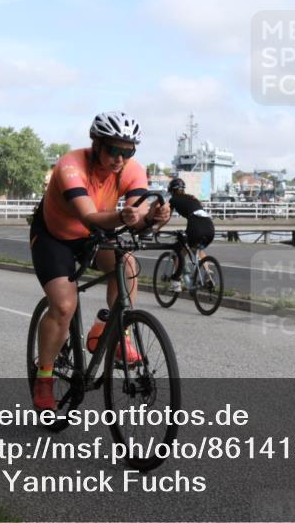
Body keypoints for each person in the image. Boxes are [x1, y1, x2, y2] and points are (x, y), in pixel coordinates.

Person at [30, 111, 171, 410]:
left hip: (96, 234)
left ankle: (113, 332)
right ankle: (44, 377)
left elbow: (136, 216)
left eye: (127, 151)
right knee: (64, 306)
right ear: (96, 142)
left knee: (128, 265)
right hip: (55, 237)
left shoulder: (133, 170)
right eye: (112, 149)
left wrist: (154, 218)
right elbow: (90, 216)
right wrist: (124, 216)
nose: (119, 158)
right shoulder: (71, 166)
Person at [165, 178, 215, 292]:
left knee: (179, 252)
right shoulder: (192, 197)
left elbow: (166, 217)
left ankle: (176, 282)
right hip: (209, 225)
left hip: (195, 225)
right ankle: (208, 274)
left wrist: (157, 228)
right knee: (197, 248)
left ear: (171, 190)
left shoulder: (173, 199)